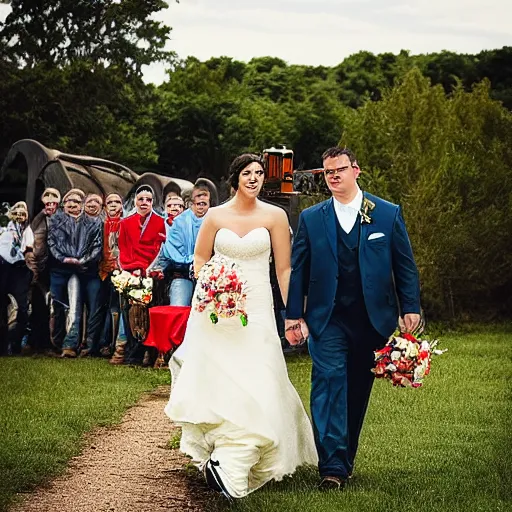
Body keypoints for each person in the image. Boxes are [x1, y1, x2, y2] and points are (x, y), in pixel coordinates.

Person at [165, 153, 317, 500]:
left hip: (258, 308)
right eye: (247, 173)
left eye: (260, 173)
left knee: (259, 374)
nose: (254, 178)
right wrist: (213, 284)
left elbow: (283, 270)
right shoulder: (216, 216)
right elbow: (200, 259)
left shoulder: (275, 216)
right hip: (217, 310)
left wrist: (293, 312)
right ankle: (225, 451)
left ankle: (239, 459)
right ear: (234, 179)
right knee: (221, 374)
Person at [285, 147, 421, 490]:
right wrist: (293, 316)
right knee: (328, 382)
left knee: (357, 390)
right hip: (326, 316)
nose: (333, 176)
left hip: (372, 319)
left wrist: (411, 307)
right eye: (328, 171)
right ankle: (331, 467)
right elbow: (298, 268)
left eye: (340, 169)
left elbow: (404, 265)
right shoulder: (312, 218)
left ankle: (343, 460)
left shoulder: (386, 214)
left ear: (355, 170)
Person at [110, 185, 165, 365]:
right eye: (140, 199)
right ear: (135, 200)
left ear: (152, 202)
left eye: (148, 200)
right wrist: (131, 269)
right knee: (129, 314)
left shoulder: (160, 222)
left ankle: (148, 352)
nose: (144, 203)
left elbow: (160, 249)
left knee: (148, 314)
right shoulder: (125, 223)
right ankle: (132, 354)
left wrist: (147, 270)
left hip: (150, 274)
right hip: (130, 274)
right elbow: (123, 249)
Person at [47, 188, 103, 357]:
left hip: (81, 271)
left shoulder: (93, 223)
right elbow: (53, 243)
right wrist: (64, 258)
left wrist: (82, 260)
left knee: (75, 306)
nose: (72, 204)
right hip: (60, 268)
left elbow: (96, 246)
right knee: (56, 306)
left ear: (82, 204)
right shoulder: (56, 220)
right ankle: (56, 342)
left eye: (76, 201)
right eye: (68, 201)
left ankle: (70, 344)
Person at [158, 185, 210, 306]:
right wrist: (195, 261)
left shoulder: (214, 220)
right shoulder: (178, 222)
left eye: (204, 203)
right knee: (178, 309)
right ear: (191, 203)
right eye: (198, 203)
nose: (201, 206)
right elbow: (173, 253)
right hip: (182, 274)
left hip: (208, 275)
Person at [24, 188, 61, 353]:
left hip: (57, 265)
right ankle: (35, 342)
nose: (51, 200)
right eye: (47, 196)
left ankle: (51, 342)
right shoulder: (37, 218)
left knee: (55, 306)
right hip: (41, 267)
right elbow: (31, 234)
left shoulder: (61, 217)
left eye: (54, 197)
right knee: (39, 305)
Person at [0, 202, 34, 355]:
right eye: (17, 213)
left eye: (23, 214)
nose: (20, 216)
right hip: (4, 267)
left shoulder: (28, 230)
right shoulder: (5, 230)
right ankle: (3, 345)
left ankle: (16, 344)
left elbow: (30, 248)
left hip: (21, 269)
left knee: (22, 306)